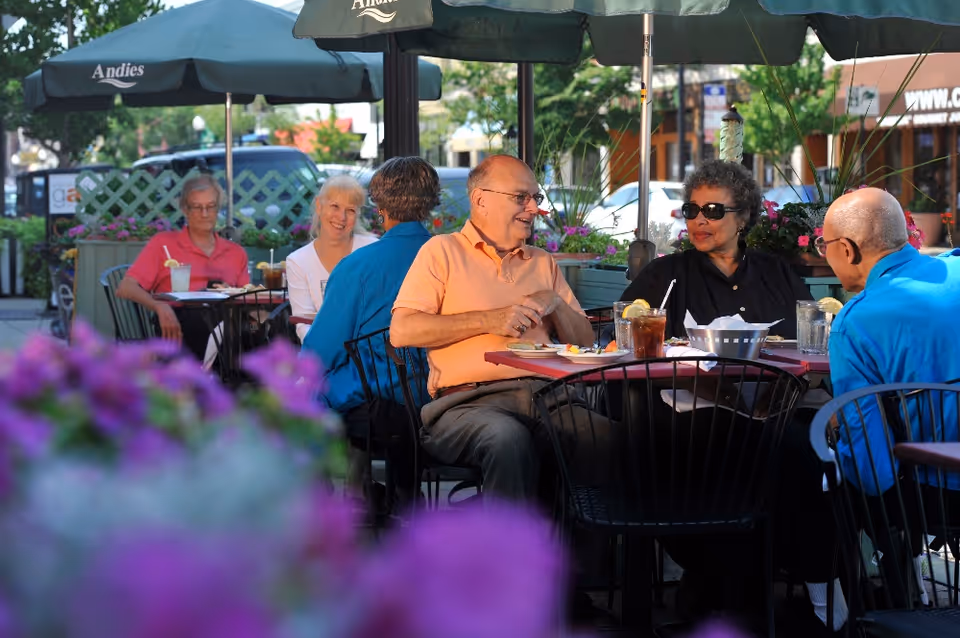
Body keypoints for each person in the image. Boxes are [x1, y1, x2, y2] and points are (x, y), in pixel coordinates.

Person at [390, 154, 601, 501]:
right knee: (508, 440)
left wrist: (557, 303)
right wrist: (490, 320)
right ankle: (508, 553)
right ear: (480, 200)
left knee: (607, 438)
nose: (534, 208)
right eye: (521, 197)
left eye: (536, 198)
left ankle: (590, 552)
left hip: (547, 398)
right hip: (466, 404)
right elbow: (402, 331)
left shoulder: (542, 261)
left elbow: (585, 342)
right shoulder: (442, 252)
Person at [300, 157, 439, 504]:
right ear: (431, 202)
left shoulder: (359, 265)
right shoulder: (455, 256)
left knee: (306, 395)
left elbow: (319, 351)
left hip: (381, 395)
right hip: (442, 390)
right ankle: (383, 496)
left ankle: (328, 513)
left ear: (379, 207)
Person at [823, 187, 960, 493]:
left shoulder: (854, 323)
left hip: (937, 493)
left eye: (824, 245)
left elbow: (874, 473)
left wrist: (837, 429)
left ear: (846, 249)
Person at [621, 160, 812, 337]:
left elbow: (813, 331)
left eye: (713, 210)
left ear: (742, 217)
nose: (699, 220)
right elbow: (620, 336)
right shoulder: (664, 274)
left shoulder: (775, 272)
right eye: (692, 210)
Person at [118, 174, 249, 360]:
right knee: (200, 321)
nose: (205, 213)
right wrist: (159, 307)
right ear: (185, 209)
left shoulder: (236, 253)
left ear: (218, 208)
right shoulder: (163, 244)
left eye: (210, 206)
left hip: (227, 328)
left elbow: (248, 297)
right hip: (180, 326)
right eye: (197, 207)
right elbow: (126, 287)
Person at [286, 174, 377, 342]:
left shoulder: (372, 251)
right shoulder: (298, 261)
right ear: (319, 206)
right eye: (335, 206)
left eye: (350, 210)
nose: (341, 217)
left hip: (367, 354)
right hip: (322, 356)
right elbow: (303, 325)